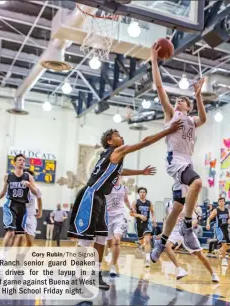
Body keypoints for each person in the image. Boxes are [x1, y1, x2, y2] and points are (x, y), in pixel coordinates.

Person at [68, 123, 183, 290]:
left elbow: (119, 172)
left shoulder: (111, 156)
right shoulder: (116, 151)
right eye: (117, 134)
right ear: (109, 141)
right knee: (86, 240)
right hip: (91, 195)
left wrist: (140, 172)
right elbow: (145, 141)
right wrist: (169, 131)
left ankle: (96, 274)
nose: (121, 136)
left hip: (101, 198)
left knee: (101, 239)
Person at [150, 42, 207, 263]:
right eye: (177, 100)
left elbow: (203, 119)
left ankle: (161, 242)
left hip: (187, 163)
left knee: (175, 209)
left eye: (182, 100)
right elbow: (159, 87)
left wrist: (199, 95)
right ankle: (187, 227)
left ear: (189, 107)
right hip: (176, 163)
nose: (178, 101)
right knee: (198, 183)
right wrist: (155, 61)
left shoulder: (192, 120)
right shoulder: (171, 115)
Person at [164, 187, 219, 282]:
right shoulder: (168, 204)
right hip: (175, 230)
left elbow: (195, 219)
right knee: (167, 246)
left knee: (199, 254)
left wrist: (189, 227)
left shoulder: (187, 204)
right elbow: (167, 220)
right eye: (176, 191)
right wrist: (163, 232)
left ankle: (213, 274)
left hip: (186, 230)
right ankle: (180, 269)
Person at [0, 154, 38, 248]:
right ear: (14, 163)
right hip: (10, 205)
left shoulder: (28, 177)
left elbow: (36, 192)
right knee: (11, 232)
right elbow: (4, 191)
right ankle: (3, 256)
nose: (22, 162)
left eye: (24, 161)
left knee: (19, 235)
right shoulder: (8, 176)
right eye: (20, 160)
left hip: (22, 206)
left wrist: (29, 185)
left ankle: (10, 255)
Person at [105, 177, 133, 277]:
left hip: (120, 216)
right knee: (109, 243)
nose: (116, 178)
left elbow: (125, 200)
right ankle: (109, 251)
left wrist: (131, 208)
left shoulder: (124, 188)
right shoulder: (106, 187)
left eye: (118, 176)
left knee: (117, 239)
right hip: (108, 217)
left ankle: (113, 265)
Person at [131, 187, 156, 267]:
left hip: (147, 224)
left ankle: (148, 260)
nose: (142, 193)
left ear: (146, 193)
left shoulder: (149, 203)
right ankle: (143, 249)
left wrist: (153, 220)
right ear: (139, 193)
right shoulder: (135, 202)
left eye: (144, 192)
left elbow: (152, 212)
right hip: (138, 224)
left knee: (148, 241)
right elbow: (131, 213)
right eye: (141, 192)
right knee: (143, 243)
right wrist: (140, 215)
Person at [206, 197, 230, 266]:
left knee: (228, 246)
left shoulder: (227, 210)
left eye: (222, 201)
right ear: (218, 202)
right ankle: (224, 260)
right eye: (220, 201)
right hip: (219, 228)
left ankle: (218, 250)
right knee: (224, 244)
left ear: (224, 202)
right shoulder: (216, 210)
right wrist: (208, 224)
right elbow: (209, 218)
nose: (221, 202)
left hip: (226, 228)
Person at [23, 169, 42, 247]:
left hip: (31, 216)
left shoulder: (35, 189)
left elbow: (39, 199)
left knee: (30, 243)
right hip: (21, 215)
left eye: (30, 176)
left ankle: (21, 257)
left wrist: (40, 211)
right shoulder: (18, 188)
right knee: (19, 238)